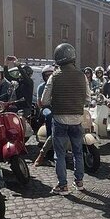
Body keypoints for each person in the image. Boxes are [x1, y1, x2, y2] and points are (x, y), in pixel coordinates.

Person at [41, 44, 91, 195]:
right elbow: (88, 98)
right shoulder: (82, 75)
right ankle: (79, 182)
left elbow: (44, 100)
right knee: (77, 152)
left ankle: (63, 186)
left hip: (59, 120)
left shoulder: (54, 76)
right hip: (77, 120)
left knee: (60, 154)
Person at [34, 65, 57, 167]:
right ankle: (49, 147)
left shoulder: (59, 85)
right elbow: (40, 103)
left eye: (50, 74)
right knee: (49, 117)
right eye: (46, 75)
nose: (48, 77)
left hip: (57, 107)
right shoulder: (41, 87)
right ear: (43, 76)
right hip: (46, 108)